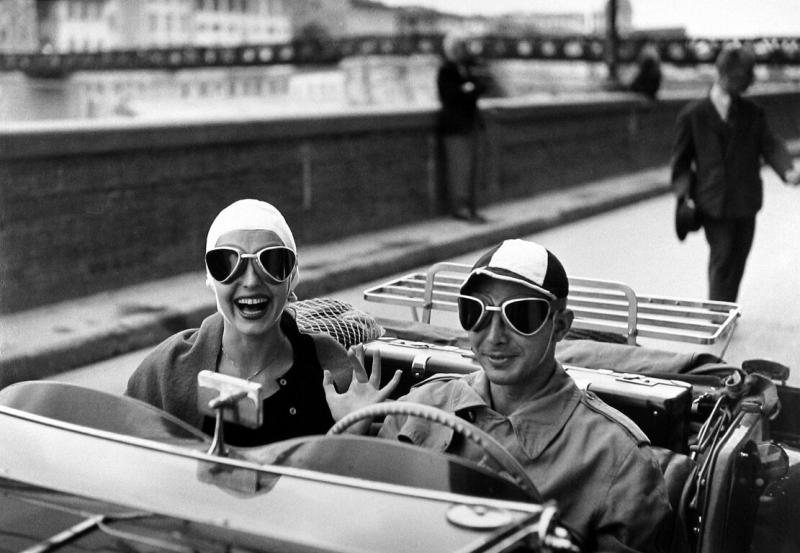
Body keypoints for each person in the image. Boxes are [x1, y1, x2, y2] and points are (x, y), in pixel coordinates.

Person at [374, 239, 675, 552]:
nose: (494, 337)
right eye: (475, 312)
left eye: (520, 316)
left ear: (559, 327)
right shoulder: (421, 406)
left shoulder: (618, 460)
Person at [126, 199, 400, 446]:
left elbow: (336, 488)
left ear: (292, 278)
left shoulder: (331, 370)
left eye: (271, 261)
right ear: (211, 279)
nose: (251, 281)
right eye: (227, 263)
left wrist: (349, 434)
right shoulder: (167, 369)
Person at [671, 44, 800, 302]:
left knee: (738, 258)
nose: (751, 82)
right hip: (713, 203)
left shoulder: (753, 112)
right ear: (726, 75)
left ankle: (726, 309)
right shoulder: (693, 115)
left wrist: (787, 170)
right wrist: (683, 195)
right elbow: (681, 162)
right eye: (746, 76)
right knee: (722, 256)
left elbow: (770, 143)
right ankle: (718, 316)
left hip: (746, 201)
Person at [437, 31, 488, 223]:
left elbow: (479, 87)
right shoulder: (446, 70)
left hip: (470, 125)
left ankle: (471, 208)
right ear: (451, 50)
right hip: (456, 127)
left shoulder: (466, 68)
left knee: (471, 169)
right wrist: (468, 89)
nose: (462, 51)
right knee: (460, 169)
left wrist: (469, 89)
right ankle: (461, 209)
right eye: (459, 48)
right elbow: (451, 96)